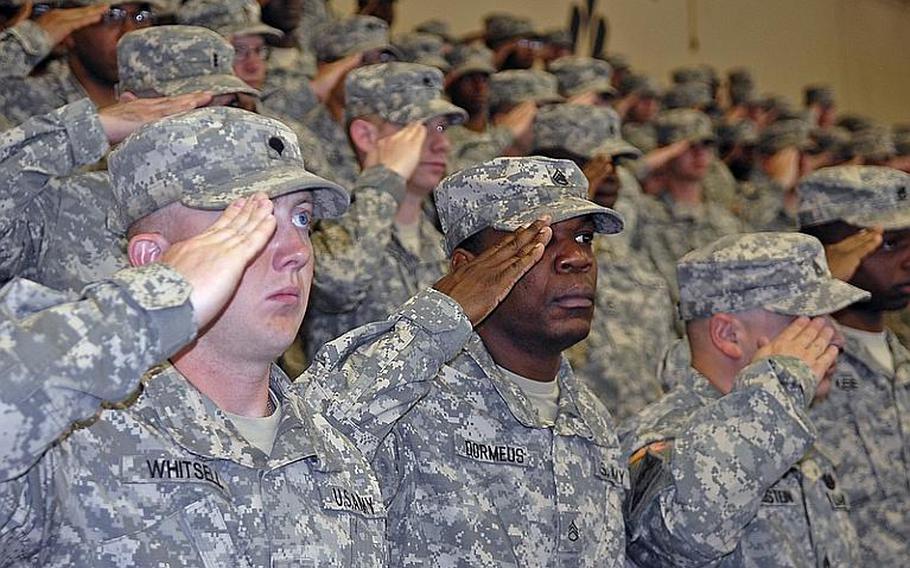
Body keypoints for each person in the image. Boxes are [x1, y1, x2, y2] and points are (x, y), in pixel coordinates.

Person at [319, 156, 629, 566]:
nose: (577, 258)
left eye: (584, 238)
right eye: (536, 241)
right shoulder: (407, 402)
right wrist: (443, 313)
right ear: (468, 270)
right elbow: (308, 436)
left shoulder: (592, 422)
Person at [622, 232, 865, 566]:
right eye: (806, 318)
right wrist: (779, 388)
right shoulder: (660, 438)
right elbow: (681, 534)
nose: (835, 337)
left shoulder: (782, 423)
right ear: (728, 335)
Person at [302, 61, 467, 358]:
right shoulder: (331, 223)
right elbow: (340, 282)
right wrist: (385, 178)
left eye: (441, 127)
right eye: (416, 128)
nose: (441, 143)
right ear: (366, 136)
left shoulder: (441, 240)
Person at [531, 103, 676, 419]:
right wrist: (573, 200)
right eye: (591, 163)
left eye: (614, 163)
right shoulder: (530, 260)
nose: (609, 174)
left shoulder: (632, 254)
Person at [797, 165, 910, 565]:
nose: (908, 259)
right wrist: (815, 288)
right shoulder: (791, 362)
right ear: (828, 253)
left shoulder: (901, 359)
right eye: (888, 244)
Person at [0, 0, 162, 125]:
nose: (130, 32)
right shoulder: (29, 102)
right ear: (69, 29)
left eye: (140, 16)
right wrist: (30, 39)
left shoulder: (165, 90)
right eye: (112, 16)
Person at [636, 109, 743, 295]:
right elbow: (625, 180)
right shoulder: (646, 213)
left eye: (706, 146)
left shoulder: (724, 220)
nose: (699, 154)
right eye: (689, 146)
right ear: (667, 151)